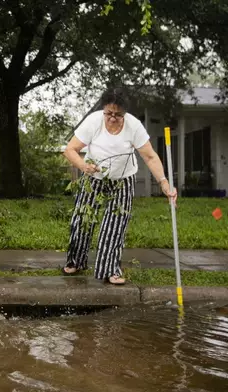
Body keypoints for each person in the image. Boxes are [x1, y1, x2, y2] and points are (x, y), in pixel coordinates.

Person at [62, 88, 177, 284]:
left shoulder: (134, 126)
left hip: (123, 179)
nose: (113, 118)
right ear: (103, 110)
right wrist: (83, 166)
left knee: (114, 225)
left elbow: (149, 156)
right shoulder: (93, 121)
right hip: (94, 178)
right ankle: (76, 261)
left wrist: (164, 183)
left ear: (124, 113)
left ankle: (110, 270)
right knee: (82, 220)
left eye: (118, 115)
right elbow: (70, 149)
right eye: (109, 114)